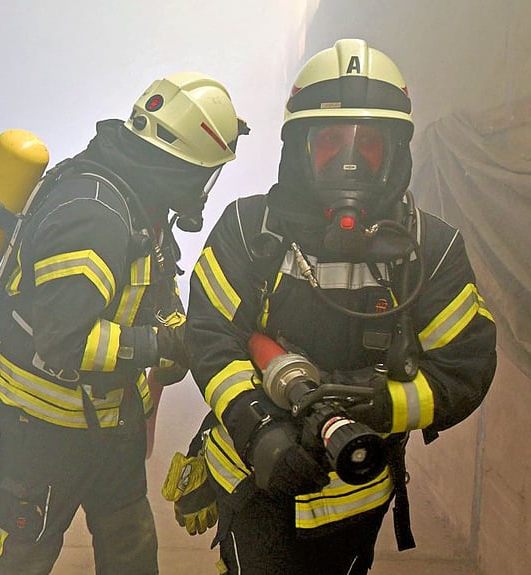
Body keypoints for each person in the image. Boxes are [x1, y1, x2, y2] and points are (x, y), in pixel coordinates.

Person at [185, 39, 497, 575]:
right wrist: (260, 429)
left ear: (394, 152)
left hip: (355, 496)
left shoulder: (430, 250)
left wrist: (378, 407)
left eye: (367, 143)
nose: (348, 160)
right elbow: (210, 336)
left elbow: (465, 368)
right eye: (329, 140)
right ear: (300, 147)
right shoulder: (247, 229)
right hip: (253, 481)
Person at [0, 72, 246, 575]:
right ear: (178, 164)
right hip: (44, 429)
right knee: (23, 555)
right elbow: (64, 341)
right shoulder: (93, 215)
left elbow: (151, 293)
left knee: (132, 552)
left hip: (108, 421)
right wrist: (160, 344)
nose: (203, 189)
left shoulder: (139, 202)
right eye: (203, 174)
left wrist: (168, 352)